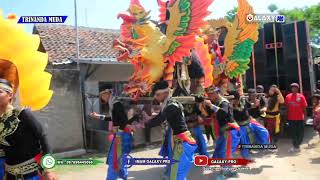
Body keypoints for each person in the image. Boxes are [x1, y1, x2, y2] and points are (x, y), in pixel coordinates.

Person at [0, 78, 56, 180]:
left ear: (10, 95)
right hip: (10, 175)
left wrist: (48, 169)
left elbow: (43, 138)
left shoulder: (23, 114)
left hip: (33, 173)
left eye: (0, 92)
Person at [146, 80, 197, 180]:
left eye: (157, 95)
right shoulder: (168, 105)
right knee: (176, 173)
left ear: (165, 93)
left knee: (177, 175)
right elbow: (160, 117)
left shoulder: (171, 106)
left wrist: (143, 124)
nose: (156, 97)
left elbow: (159, 119)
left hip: (182, 143)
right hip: (177, 141)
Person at [90, 84, 137, 180]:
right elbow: (113, 118)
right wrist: (99, 116)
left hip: (121, 135)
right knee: (120, 159)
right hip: (122, 135)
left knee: (114, 160)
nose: (102, 98)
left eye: (102, 95)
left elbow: (124, 121)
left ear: (107, 93)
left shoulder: (116, 104)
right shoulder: (113, 103)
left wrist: (117, 127)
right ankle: (123, 176)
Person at [202, 86, 240, 178]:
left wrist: (211, 105)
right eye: (209, 95)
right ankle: (229, 170)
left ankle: (226, 173)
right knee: (220, 152)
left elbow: (223, 113)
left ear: (216, 93)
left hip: (229, 131)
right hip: (223, 132)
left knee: (224, 153)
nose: (210, 96)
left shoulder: (224, 102)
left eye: (211, 94)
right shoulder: (216, 102)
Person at [229, 91, 269, 159]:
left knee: (264, 132)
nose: (234, 101)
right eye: (232, 100)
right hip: (240, 127)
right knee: (245, 143)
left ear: (238, 99)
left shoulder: (244, 102)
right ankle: (245, 157)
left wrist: (256, 106)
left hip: (250, 122)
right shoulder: (229, 107)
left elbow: (251, 108)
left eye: (235, 100)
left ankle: (263, 147)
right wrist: (231, 106)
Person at [285, 83, 308, 153]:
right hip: (291, 119)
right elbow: (286, 108)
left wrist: (305, 118)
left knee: (300, 134)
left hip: (300, 118)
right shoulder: (287, 97)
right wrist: (286, 118)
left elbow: (304, 109)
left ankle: (297, 145)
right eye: (292, 88)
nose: (294, 89)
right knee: (293, 133)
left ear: (298, 89)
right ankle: (296, 146)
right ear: (291, 89)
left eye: (295, 88)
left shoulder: (301, 97)